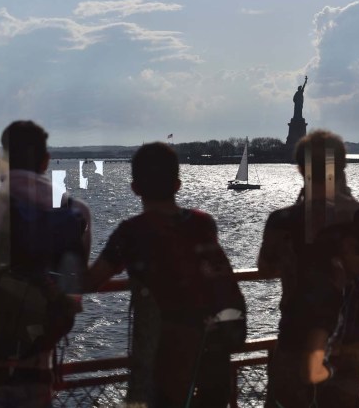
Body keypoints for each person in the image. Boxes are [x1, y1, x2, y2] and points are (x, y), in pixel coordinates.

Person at [0, 120, 92, 407]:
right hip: (37, 364)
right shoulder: (76, 211)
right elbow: (74, 282)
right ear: (46, 160)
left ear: (4, 158)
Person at [84, 142, 245, 408]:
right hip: (210, 350)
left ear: (135, 188)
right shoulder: (202, 223)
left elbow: (90, 280)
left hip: (162, 358)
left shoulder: (131, 233)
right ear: (177, 185)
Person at [259, 129, 359, 407]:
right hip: (348, 336)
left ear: (301, 169)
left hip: (296, 334)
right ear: (341, 167)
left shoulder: (282, 220)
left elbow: (265, 268)